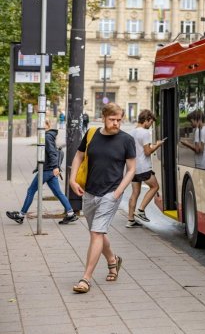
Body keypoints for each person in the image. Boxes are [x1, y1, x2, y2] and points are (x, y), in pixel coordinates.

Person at [69, 103, 136, 294]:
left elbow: (131, 170)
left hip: (111, 193)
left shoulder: (126, 140)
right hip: (89, 192)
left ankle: (86, 278)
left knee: (96, 233)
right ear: (103, 117)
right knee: (97, 231)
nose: (116, 123)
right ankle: (113, 260)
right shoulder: (91, 134)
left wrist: (118, 193)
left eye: (119, 120)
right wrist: (73, 180)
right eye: (112, 119)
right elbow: (78, 156)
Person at [6, 118, 78, 226]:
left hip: (47, 170)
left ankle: (21, 215)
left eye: (41, 123)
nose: (38, 125)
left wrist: (55, 167)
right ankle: (70, 213)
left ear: (47, 124)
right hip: (50, 169)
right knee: (58, 192)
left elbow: (52, 153)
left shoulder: (47, 136)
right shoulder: (48, 135)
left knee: (31, 190)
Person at [126, 110, 163, 228]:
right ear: (146, 120)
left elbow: (140, 149)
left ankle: (130, 219)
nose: (151, 125)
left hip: (133, 167)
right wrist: (157, 145)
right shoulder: (145, 133)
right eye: (151, 122)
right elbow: (147, 152)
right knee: (155, 186)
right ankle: (141, 210)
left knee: (135, 193)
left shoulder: (131, 132)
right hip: (143, 167)